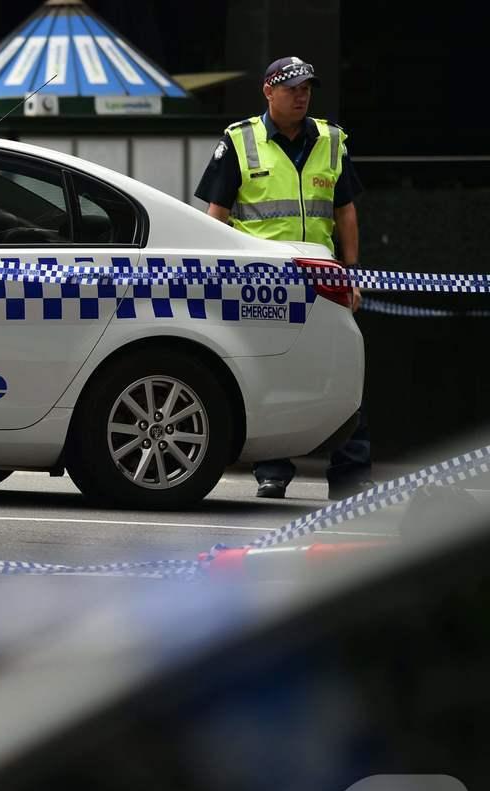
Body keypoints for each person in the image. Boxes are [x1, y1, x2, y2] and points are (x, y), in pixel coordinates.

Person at [194, 56, 372, 501]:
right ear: (268, 92)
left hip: (323, 280)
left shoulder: (331, 140)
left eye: (307, 87)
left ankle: (351, 474)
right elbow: (216, 215)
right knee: (270, 371)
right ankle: (272, 469)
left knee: (341, 373)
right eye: (292, 87)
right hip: (263, 281)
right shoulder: (240, 141)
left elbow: (345, 211)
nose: (302, 95)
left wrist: (352, 274)